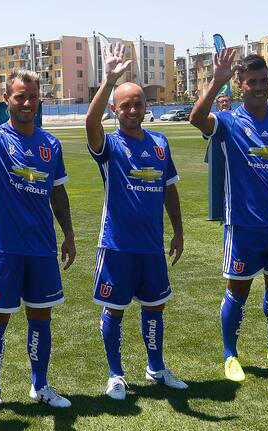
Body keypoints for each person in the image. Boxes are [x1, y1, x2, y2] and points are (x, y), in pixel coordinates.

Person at [0, 36, 76, 422]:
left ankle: (40, 385)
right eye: (20, 97)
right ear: (6, 98)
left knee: (41, 318)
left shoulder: (51, 144)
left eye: (32, 97)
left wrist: (69, 234)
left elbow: (58, 193)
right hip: (3, 248)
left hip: (41, 248)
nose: (27, 103)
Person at [189, 50, 268, 382]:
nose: (260, 87)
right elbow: (197, 118)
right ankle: (230, 355)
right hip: (243, 225)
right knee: (238, 290)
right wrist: (217, 81)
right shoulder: (229, 122)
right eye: (252, 82)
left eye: (264, 81)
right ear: (241, 86)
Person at [85, 43, 187, 398]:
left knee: (154, 307)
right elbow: (90, 123)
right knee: (114, 310)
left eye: (138, 104)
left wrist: (178, 231)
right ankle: (115, 374)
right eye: (125, 105)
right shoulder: (109, 145)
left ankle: (156, 367)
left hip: (151, 246)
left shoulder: (160, 143)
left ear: (146, 107)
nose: (132, 110)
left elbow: (169, 190)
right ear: (114, 110)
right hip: (116, 245)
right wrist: (109, 80)